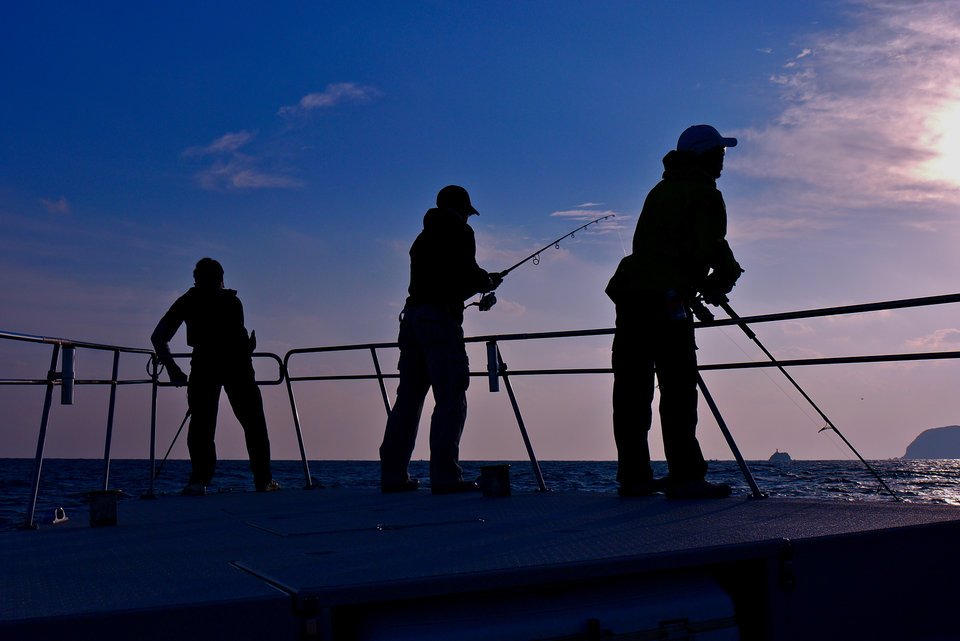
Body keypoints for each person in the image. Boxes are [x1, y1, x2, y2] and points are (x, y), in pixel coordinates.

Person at [605, 125, 744, 499]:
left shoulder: (661, 190)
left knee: (632, 392)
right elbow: (708, 246)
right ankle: (685, 477)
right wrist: (725, 276)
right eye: (719, 153)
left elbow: (657, 248)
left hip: (632, 299)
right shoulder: (703, 193)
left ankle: (633, 478)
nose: (723, 160)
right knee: (678, 389)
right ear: (704, 155)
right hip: (667, 302)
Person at [380, 185, 503, 494]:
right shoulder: (460, 232)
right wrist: (486, 282)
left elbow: (447, 276)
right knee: (450, 397)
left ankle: (393, 476)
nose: (468, 218)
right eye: (467, 213)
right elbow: (465, 274)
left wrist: (480, 281)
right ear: (461, 209)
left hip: (412, 321)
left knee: (408, 400)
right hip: (439, 322)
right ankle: (446, 477)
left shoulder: (421, 239)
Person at [151, 258, 279, 495]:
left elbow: (158, 336)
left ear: (196, 279)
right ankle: (263, 480)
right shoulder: (229, 301)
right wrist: (172, 368)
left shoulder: (189, 302)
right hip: (234, 366)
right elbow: (158, 337)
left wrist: (172, 368)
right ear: (221, 279)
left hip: (208, 366)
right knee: (251, 423)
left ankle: (200, 481)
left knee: (203, 424)